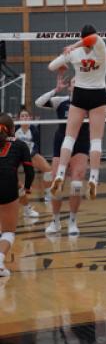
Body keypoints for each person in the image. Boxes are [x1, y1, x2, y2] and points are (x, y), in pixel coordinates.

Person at [35, 74, 106, 235]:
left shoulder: (93, 104)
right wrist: (55, 89)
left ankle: (72, 221)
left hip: (81, 143)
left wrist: (101, 93)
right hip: (62, 142)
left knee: (77, 182)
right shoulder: (61, 101)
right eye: (75, 82)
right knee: (55, 183)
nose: (78, 84)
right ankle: (56, 221)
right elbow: (39, 102)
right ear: (71, 86)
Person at [48, 24, 106, 200]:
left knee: (69, 137)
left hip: (80, 94)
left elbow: (51, 66)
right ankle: (94, 178)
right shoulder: (100, 48)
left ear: (81, 37)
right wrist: (76, 46)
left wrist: (65, 61)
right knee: (96, 139)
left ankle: (59, 174)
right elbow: (92, 40)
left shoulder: (73, 54)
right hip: (97, 94)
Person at [0, 113, 34, 276]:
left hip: (7, 183)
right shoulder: (20, 144)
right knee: (8, 231)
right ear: (13, 129)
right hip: (7, 185)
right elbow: (29, 171)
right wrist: (26, 188)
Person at [15, 106, 51, 215]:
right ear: (19, 118)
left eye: (26, 116)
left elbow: (36, 145)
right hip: (16, 156)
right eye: (22, 116)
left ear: (30, 117)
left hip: (30, 154)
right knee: (12, 179)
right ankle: (25, 207)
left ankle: (48, 194)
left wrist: (31, 154)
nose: (25, 118)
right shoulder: (15, 129)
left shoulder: (34, 129)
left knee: (48, 170)